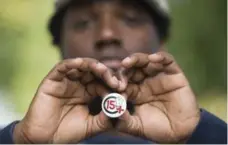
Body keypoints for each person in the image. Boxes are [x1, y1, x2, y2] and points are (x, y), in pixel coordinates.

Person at [0, 0, 227, 144]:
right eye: (83, 22)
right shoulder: (24, 138)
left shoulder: (204, 134)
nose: (107, 34)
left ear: (162, 43)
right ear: (59, 45)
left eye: (131, 19)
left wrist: (201, 133)